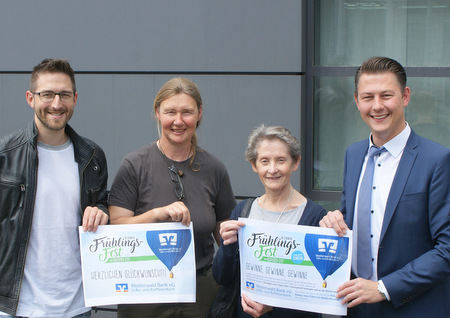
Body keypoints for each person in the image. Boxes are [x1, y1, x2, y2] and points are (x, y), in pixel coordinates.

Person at [319, 57, 450, 317]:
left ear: (405, 96)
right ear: (357, 100)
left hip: (414, 308)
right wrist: (335, 221)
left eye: (386, 95)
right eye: (368, 97)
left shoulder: (437, 160)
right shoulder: (353, 154)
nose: (377, 106)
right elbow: (354, 223)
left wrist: (383, 288)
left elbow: (446, 249)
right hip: (355, 308)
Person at [108, 77, 236, 317]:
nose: (178, 121)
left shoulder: (214, 169)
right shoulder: (134, 165)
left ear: (199, 113)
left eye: (187, 112)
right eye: (170, 112)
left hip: (202, 293)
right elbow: (115, 226)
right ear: (157, 113)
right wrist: (156, 215)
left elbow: (226, 234)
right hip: (144, 292)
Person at [0, 59, 109, 317]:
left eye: (64, 95)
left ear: (75, 98)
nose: (57, 104)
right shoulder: (5, 156)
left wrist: (102, 211)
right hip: (17, 308)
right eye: (47, 94)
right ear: (30, 98)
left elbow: (102, 204)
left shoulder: (92, 157)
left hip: (76, 307)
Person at [213, 125, 326, 318]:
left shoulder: (315, 216)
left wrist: (274, 308)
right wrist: (227, 245)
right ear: (254, 165)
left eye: (281, 160)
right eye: (264, 161)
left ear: (295, 162)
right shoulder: (243, 211)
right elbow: (222, 277)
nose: (272, 169)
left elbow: (319, 292)